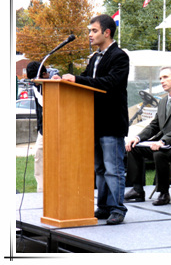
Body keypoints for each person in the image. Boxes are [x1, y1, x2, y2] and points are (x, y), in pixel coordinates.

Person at [53, 14, 129, 225]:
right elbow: (86, 81)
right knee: (100, 168)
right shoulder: (95, 57)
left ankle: (117, 208)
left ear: (107, 32)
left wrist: (77, 78)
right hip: (91, 122)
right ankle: (104, 206)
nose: (89, 35)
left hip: (112, 122)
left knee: (114, 169)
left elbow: (109, 83)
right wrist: (65, 82)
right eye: (89, 31)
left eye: (94, 31)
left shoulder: (120, 56)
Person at [124, 66, 171, 206]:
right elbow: (154, 125)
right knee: (134, 147)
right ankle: (137, 190)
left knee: (159, 153)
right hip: (165, 144)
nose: (162, 81)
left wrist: (163, 141)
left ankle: (164, 193)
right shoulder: (163, 101)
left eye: (165, 77)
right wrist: (138, 138)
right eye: (160, 78)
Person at [26, 61, 50, 193]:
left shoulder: (54, 86)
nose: (34, 82)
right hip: (43, 129)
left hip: (58, 127)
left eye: (36, 79)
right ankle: (41, 189)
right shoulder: (36, 87)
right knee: (38, 156)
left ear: (45, 74)